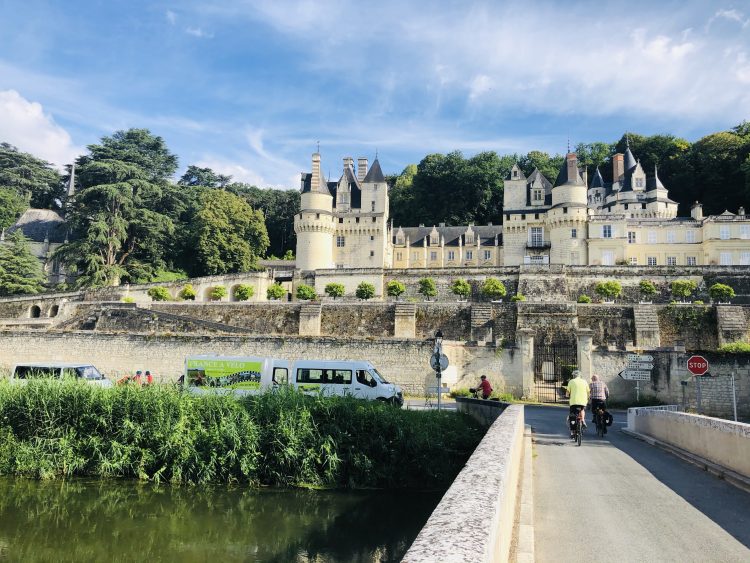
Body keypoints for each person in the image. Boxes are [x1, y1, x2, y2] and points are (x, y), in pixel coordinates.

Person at [565, 370, 589, 437]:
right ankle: (583, 420)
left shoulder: (571, 381)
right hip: (583, 401)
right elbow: (588, 391)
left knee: (572, 415)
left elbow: (567, 392)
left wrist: (567, 396)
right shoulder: (584, 381)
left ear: (573, 375)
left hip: (574, 401)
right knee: (582, 410)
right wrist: (588, 398)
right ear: (580, 375)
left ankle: (573, 432)